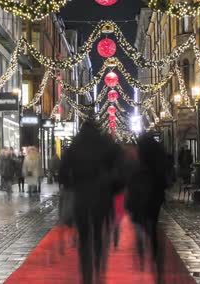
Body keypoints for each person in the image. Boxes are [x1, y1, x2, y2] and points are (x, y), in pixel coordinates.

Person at [59, 120, 120, 284]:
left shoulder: (75, 144)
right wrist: (112, 189)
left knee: (84, 235)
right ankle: (98, 262)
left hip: (81, 196)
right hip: (101, 195)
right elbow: (118, 168)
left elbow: (63, 171)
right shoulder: (104, 144)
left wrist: (71, 184)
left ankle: (86, 272)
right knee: (98, 231)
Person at [126, 134, 168, 284]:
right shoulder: (159, 153)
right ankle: (156, 256)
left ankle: (141, 245)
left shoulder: (140, 156)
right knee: (153, 225)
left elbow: (132, 176)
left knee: (141, 222)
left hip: (141, 195)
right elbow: (165, 176)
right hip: (155, 197)